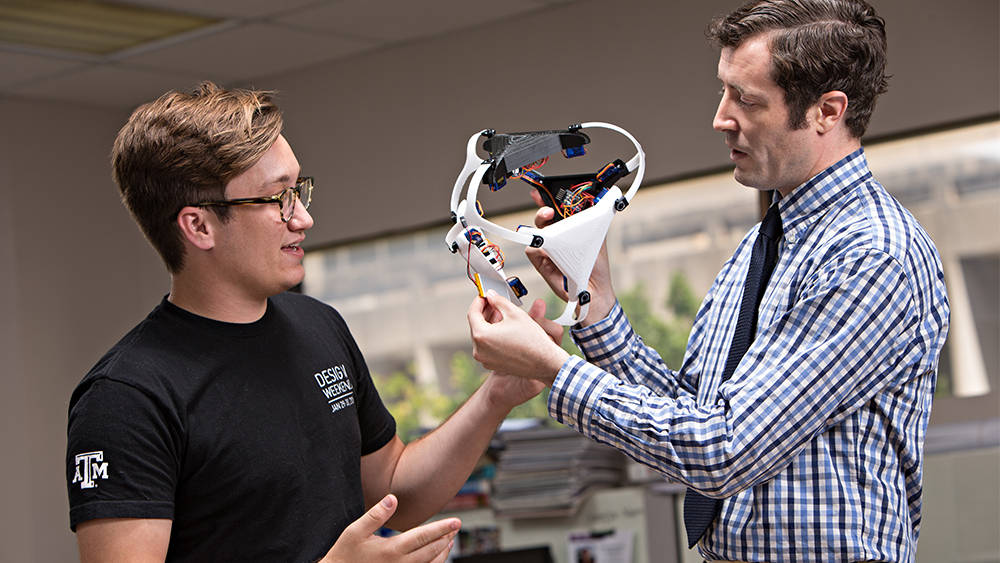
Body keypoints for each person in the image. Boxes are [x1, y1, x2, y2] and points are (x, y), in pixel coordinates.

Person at [467, 0, 950, 561]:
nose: (720, 117)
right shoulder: (765, 244)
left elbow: (724, 451)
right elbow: (696, 416)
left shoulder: (872, 255)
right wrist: (594, 303)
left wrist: (552, 368)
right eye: (724, 90)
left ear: (827, 111)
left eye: (746, 99)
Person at [66, 82, 545, 562]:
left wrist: (496, 395)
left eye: (298, 191)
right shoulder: (126, 396)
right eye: (277, 199)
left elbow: (394, 491)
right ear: (199, 226)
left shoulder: (319, 326)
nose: (303, 218)